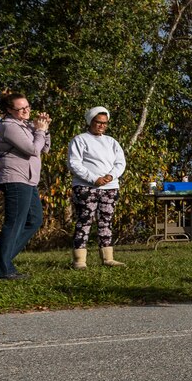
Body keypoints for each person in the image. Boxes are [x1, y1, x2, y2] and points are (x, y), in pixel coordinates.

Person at [0, 92, 51, 280]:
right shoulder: (8, 126)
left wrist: (44, 129)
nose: (26, 110)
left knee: (34, 220)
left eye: (27, 106)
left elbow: (45, 148)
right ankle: (2, 269)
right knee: (14, 223)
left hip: (29, 179)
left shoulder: (26, 125)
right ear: (9, 110)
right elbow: (32, 149)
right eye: (21, 108)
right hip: (15, 178)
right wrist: (39, 132)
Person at [67, 106, 127, 269]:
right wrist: (93, 179)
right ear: (90, 122)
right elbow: (74, 163)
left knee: (106, 221)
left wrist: (110, 176)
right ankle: (79, 260)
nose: (101, 126)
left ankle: (108, 258)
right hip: (86, 187)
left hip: (110, 187)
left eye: (105, 123)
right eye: (98, 122)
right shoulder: (80, 140)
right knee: (84, 221)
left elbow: (120, 163)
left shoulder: (111, 141)